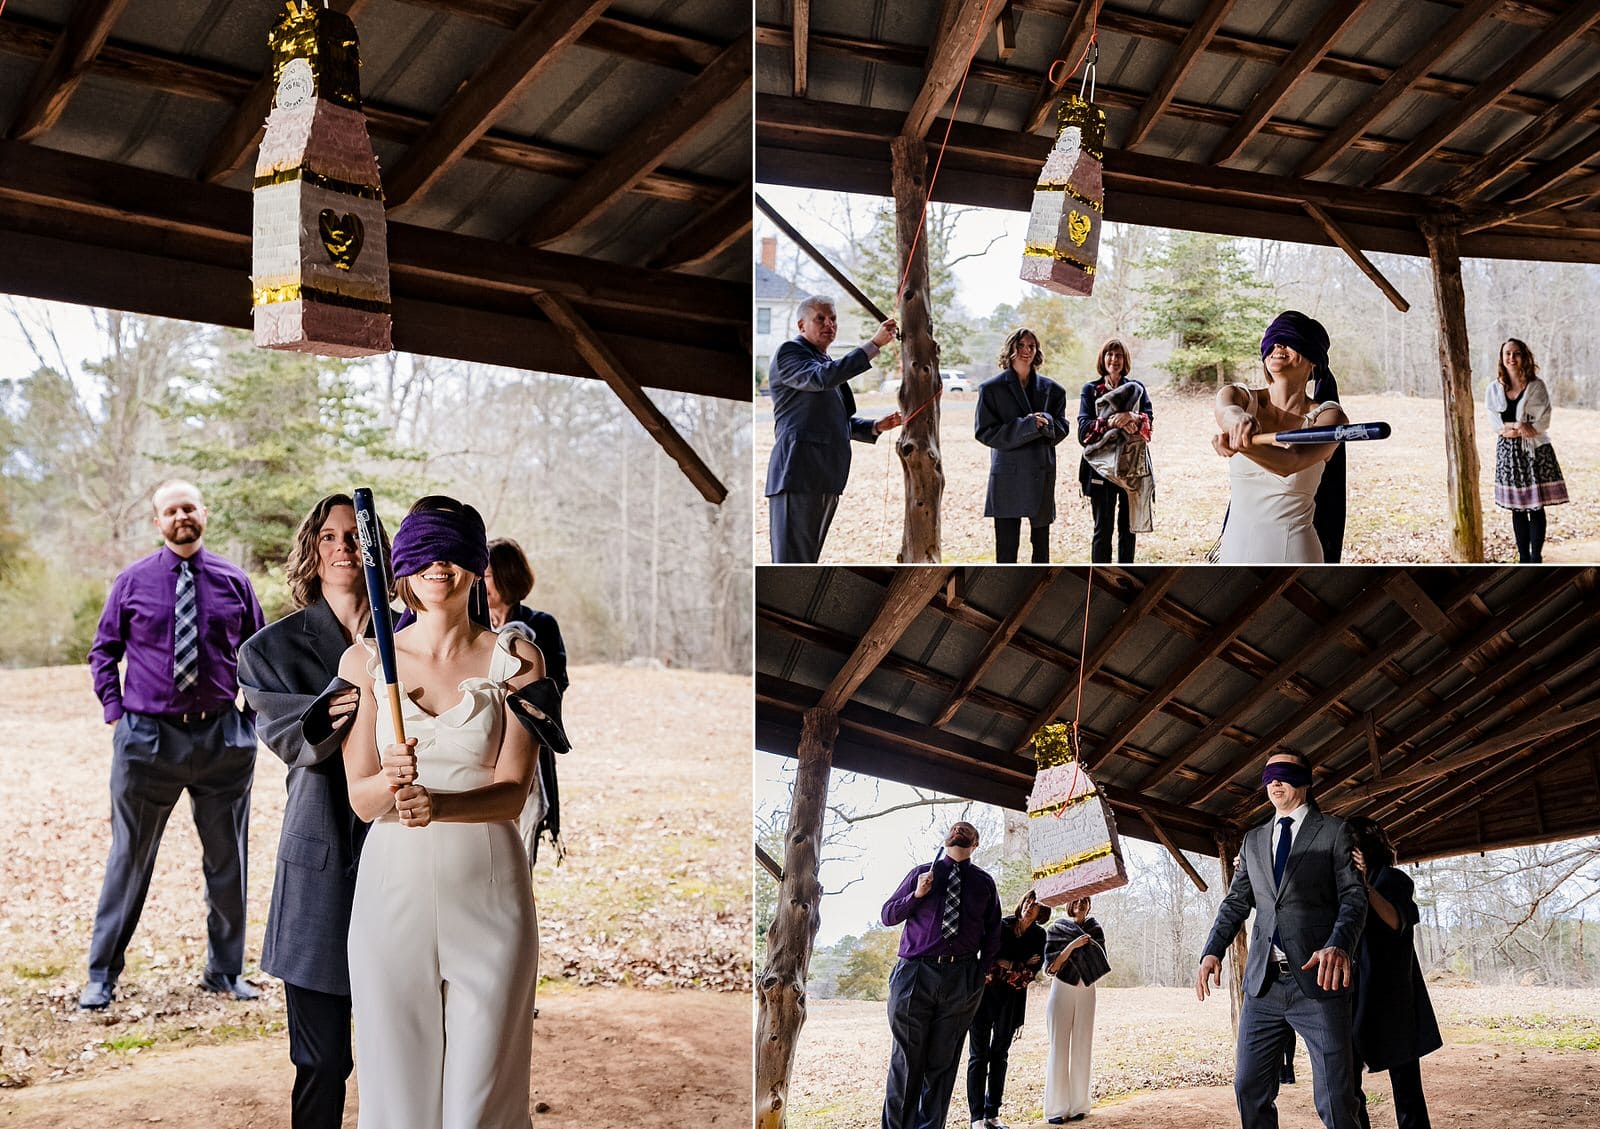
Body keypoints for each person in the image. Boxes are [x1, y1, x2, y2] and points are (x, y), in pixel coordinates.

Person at [337, 496, 561, 1128]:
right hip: (391, 895)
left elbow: (515, 789)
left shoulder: (516, 663)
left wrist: (440, 803)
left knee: (481, 1103)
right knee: (396, 1094)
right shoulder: (366, 662)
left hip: (488, 893)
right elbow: (361, 796)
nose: (439, 566)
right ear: (402, 569)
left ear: (476, 566)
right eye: (424, 553)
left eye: (455, 553)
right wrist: (391, 781)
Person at [80, 480, 266, 1011]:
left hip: (220, 740)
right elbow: (103, 652)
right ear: (158, 522)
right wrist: (116, 713)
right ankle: (101, 974)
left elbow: (259, 656)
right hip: (147, 741)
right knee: (129, 859)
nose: (180, 516)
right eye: (170, 511)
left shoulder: (234, 581)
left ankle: (225, 971)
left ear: (202, 514)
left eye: (188, 507)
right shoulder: (132, 582)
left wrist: (247, 721)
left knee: (227, 860)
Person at [237, 494, 380, 1129]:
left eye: (357, 535)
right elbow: (294, 738)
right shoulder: (267, 650)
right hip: (321, 854)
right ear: (313, 551)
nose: (344, 545)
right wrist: (349, 690)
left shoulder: (411, 633)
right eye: (331, 536)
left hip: (404, 847)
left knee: (403, 1049)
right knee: (322, 1059)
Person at [1196, 752, 1367, 1129]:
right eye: (1269, 775)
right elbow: (1236, 902)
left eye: (1285, 774)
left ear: (1305, 781)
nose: (1274, 782)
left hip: (1318, 982)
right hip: (1263, 985)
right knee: (1249, 1088)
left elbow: (1354, 898)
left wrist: (1339, 943)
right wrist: (1212, 950)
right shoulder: (1253, 840)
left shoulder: (1335, 831)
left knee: (1337, 1099)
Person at [879, 821, 1003, 1129]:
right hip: (914, 974)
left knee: (942, 1065)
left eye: (968, 829)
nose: (961, 828)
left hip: (961, 977)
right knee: (906, 1062)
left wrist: (982, 973)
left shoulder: (984, 883)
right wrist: (917, 894)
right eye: (956, 827)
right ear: (946, 839)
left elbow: (994, 932)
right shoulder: (921, 873)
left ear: (975, 844)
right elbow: (887, 916)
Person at [765, 295, 903, 563]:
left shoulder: (823, 361)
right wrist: (873, 345)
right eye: (821, 318)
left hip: (825, 477)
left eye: (833, 319)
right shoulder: (790, 353)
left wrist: (874, 426)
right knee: (793, 562)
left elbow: (833, 420)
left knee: (807, 561)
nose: (829, 324)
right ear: (801, 325)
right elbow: (821, 379)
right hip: (797, 475)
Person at [1214, 312, 1349, 563]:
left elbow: (1290, 462)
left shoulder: (1330, 418)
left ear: (1314, 361)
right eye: (1274, 339)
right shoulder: (1240, 397)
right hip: (1234, 547)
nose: (1278, 345)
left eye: (1290, 339)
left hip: (1293, 551)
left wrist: (1243, 446)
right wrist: (1238, 422)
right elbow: (1227, 410)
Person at [1346, 817, 1441, 1129]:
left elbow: (1397, 922)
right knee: (1346, 1082)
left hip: (1391, 995)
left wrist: (1366, 886)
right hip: (1353, 993)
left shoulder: (1394, 880)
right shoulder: (1342, 883)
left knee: (1406, 1087)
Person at [485, 536, 568, 864]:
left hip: (528, 746)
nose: (479, 582)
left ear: (507, 576)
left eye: (487, 575)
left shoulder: (542, 625)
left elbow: (556, 685)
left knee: (521, 845)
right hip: (483, 748)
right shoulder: (472, 625)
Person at [975, 328, 1070, 563]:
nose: (1026, 351)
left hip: (1041, 472)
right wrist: (1027, 426)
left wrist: (1045, 423)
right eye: (1021, 346)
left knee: (1041, 549)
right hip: (1008, 475)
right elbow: (984, 432)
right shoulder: (991, 389)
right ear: (1010, 349)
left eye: (1031, 346)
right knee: (1006, 550)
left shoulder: (1054, 390)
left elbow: (1062, 428)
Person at [965, 890, 1051, 1129]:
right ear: (1022, 902)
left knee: (999, 1056)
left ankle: (992, 1114)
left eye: (1035, 906)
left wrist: (1007, 964)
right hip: (984, 998)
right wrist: (1018, 964)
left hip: (1011, 1002)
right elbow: (988, 961)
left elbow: (1029, 976)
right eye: (1028, 901)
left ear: (1041, 913)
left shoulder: (1038, 935)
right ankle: (976, 1118)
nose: (1030, 906)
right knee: (978, 1056)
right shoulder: (1001, 926)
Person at [1486, 338, 1569, 563]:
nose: (1511, 358)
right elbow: (1495, 425)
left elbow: (1544, 420)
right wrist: (1518, 426)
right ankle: (1523, 557)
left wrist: (1517, 428)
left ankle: (1535, 557)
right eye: (1507, 354)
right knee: (1518, 508)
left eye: (1516, 353)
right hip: (1508, 453)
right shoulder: (1494, 388)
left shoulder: (1536, 386)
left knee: (1536, 506)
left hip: (1535, 451)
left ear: (1524, 357)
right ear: (1502, 359)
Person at [1077, 337, 1153, 563]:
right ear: (1103, 359)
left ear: (1125, 360)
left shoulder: (1137, 390)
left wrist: (1133, 417)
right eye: (1109, 354)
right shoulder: (1090, 390)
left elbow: (1149, 426)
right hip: (1100, 469)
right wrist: (1111, 422)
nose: (1114, 359)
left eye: (1118, 355)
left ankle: (1125, 571)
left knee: (1128, 531)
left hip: (1130, 467)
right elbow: (1083, 433)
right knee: (1103, 529)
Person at [1041, 896, 1109, 1124]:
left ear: (1089, 905)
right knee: (1058, 1047)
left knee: (1082, 1045)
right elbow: (1051, 967)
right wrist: (1073, 946)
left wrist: (1088, 944)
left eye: (1084, 901)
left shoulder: (1095, 929)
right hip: (1061, 989)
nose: (1079, 905)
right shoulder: (1056, 929)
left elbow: (1101, 959)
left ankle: (1079, 1104)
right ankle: (1056, 1109)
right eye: (1076, 901)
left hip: (1086, 988)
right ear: (1069, 904)